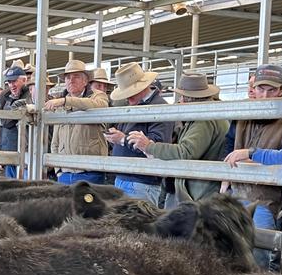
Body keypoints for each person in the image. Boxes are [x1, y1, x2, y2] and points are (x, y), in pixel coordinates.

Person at [127, 73, 228, 208]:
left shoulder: (204, 120)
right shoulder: (206, 116)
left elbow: (185, 151)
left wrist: (149, 146)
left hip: (199, 194)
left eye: (181, 97)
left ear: (189, 99)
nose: (179, 101)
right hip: (200, 191)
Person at [227, 64, 282, 271]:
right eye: (261, 89)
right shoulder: (244, 115)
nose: (265, 94)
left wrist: (251, 153)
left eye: (272, 90)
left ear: (281, 90)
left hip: (267, 198)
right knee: (231, 252)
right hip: (237, 193)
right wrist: (223, 175)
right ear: (254, 88)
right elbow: (227, 148)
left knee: (260, 252)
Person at [104, 62, 174, 204]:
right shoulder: (135, 105)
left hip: (142, 181)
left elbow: (156, 144)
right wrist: (117, 138)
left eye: (130, 93)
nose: (128, 98)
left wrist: (123, 140)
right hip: (127, 177)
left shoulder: (159, 108)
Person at [45, 59, 109, 185]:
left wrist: (66, 101)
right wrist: (59, 170)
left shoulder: (98, 96)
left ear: (85, 81)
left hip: (90, 171)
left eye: (76, 76)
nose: (71, 80)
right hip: (65, 172)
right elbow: (55, 142)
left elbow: (100, 106)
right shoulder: (60, 103)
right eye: (68, 77)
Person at [0, 65, 31, 178]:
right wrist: (1, 151)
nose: (12, 85)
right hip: (10, 154)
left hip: (25, 155)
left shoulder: (29, 98)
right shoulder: (7, 99)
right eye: (9, 82)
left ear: (24, 80)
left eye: (14, 81)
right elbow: (4, 126)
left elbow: (6, 122)